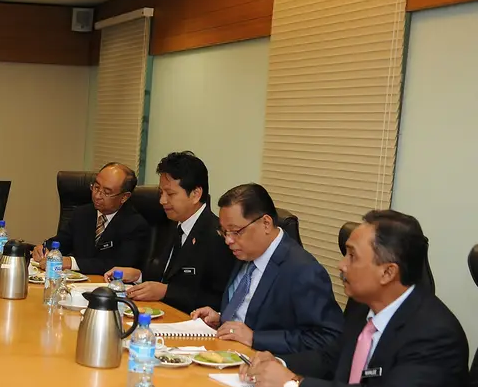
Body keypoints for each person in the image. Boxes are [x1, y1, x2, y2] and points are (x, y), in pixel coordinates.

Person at [241, 210, 472, 387]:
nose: (341, 265)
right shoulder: (364, 306)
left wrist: (293, 385)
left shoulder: (434, 333)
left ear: (387, 272)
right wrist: (276, 363)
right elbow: (331, 357)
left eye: (352, 255)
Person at [189, 184, 343, 355]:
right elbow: (252, 315)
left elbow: (328, 339)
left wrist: (255, 338)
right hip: (227, 353)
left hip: (266, 368)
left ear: (266, 224)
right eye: (224, 232)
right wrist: (221, 319)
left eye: (235, 231)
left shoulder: (303, 271)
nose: (228, 240)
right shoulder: (246, 253)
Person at [105, 151, 235, 313]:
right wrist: (138, 276)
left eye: (171, 194)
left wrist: (167, 292)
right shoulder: (172, 224)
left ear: (196, 194)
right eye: (161, 193)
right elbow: (163, 277)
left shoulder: (218, 236)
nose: (162, 201)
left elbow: (219, 299)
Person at [32, 162, 149, 275]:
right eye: (96, 187)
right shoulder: (82, 213)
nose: (97, 196)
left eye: (106, 192)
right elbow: (61, 241)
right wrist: (45, 248)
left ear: (124, 197)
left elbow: (119, 265)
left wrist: (72, 263)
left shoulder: (135, 225)